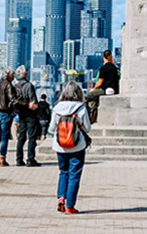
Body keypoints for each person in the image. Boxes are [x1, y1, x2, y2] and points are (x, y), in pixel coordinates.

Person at [49, 80, 93, 214]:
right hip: (77, 146)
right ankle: (70, 206)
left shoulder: (57, 108)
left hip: (60, 146)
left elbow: (51, 129)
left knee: (63, 172)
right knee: (74, 175)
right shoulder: (80, 108)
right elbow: (88, 128)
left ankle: (61, 198)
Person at [14, 66, 41, 166]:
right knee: (32, 136)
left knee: (21, 136)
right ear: (26, 74)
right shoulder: (29, 85)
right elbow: (33, 101)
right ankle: (30, 159)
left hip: (21, 114)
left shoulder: (16, 86)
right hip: (30, 114)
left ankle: (19, 159)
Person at [86, 51, 119, 124]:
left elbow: (100, 82)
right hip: (114, 90)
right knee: (94, 100)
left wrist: (93, 89)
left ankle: (87, 118)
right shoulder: (115, 68)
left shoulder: (103, 68)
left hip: (104, 90)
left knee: (86, 97)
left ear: (103, 57)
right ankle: (93, 118)